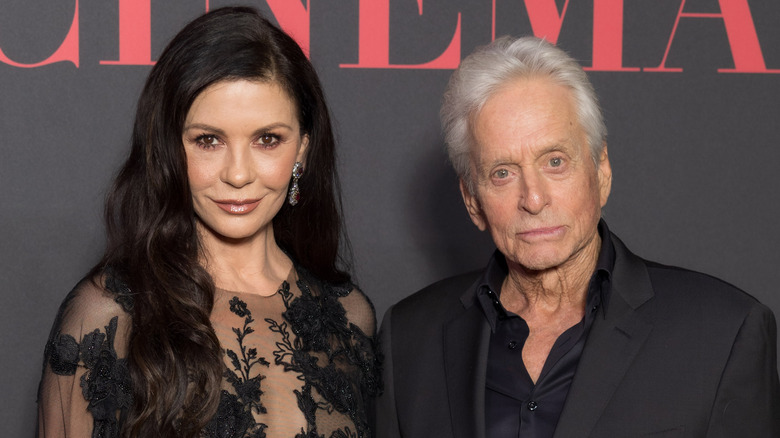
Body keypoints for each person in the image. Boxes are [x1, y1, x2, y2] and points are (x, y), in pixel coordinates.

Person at [376, 36, 780, 438]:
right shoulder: (408, 339)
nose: (533, 199)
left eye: (555, 161)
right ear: (472, 201)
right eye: (503, 172)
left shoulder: (722, 332)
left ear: (600, 171)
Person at [37, 7, 380, 438]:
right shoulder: (110, 315)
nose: (238, 174)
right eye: (208, 140)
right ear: (169, 149)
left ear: (302, 151)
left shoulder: (348, 317)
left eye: (267, 140)